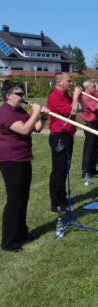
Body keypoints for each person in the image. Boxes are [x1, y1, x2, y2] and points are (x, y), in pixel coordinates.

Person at [0, 81, 48, 252]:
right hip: (11, 160)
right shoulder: (5, 113)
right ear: (9, 96)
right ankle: (9, 242)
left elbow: (36, 128)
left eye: (23, 94)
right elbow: (24, 130)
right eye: (20, 94)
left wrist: (42, 116)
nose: (23, 97)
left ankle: (21, 232)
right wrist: (35, 111)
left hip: (23, 157)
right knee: (14, 200)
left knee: (23, 197)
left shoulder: (19, 110)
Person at [47, 72, 83, 215]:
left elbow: (80, 108)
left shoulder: (67, 96)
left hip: (68, 135)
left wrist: (79, 96)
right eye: (69, 81)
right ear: (59, 82)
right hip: (59, 137)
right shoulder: (54, 97)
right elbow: (72, 111)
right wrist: (75, 96)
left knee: (65, 168)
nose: (71, 83)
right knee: (59, 170)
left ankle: (62, 198)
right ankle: (56, 202)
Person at [80, 79, 98, 178]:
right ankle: (86, 171)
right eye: (93, 86)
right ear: (87, 87)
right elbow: (97, 107)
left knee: (95, 147)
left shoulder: (92, 95)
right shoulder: (85, 97)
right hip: (89, 124)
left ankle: (93, 169)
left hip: (95, 123)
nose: (95, 88)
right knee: (89, 149)